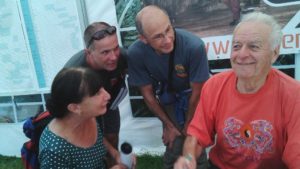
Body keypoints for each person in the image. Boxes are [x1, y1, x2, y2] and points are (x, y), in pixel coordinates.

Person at [174, 12, 300, 169]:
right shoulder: (214, 85)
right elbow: (197, 136)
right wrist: (188, 157)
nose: (241, 54)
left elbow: (296, 155)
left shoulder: (294, 94)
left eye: (253, 46)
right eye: (236, 46)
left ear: (274, 53)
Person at [127, 5, 209, 169]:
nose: (168, 39)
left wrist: (188, 126)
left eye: (168, 30)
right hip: (170, 97)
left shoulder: (194, 46)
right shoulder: (135, 53)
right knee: (173, 143)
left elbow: (198, 92)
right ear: (143, 39)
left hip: (196, 98)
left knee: (193, 141)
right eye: (158, 37)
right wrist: (169, 126)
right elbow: (147, 95)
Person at [39, 67, 130, 169]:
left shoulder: (88, 116)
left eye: (102, 88)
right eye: (97, 93)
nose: (108, 95)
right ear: (75, 108)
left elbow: (99, 141)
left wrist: (115, 154)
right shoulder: (54, 150)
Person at [64, 22, 128, 166]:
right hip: (83, 109)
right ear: (89, 52)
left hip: (109, 104)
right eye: (105, 52)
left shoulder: (122, 56)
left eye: (116, 48)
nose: (113, 57)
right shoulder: (74, 72)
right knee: (92, 143)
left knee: (112, 138)